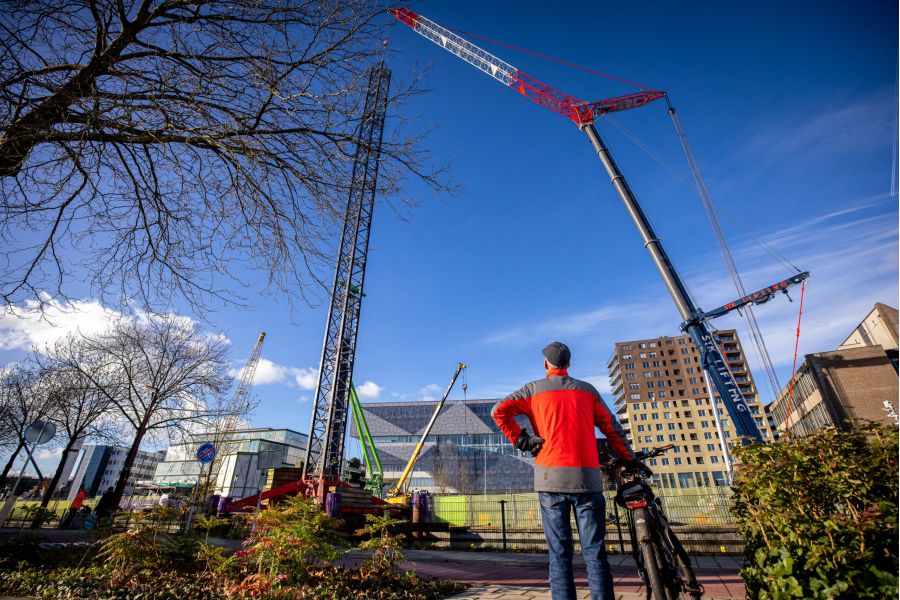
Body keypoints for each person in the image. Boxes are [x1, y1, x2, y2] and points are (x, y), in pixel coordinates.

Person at [492, 341, 639, 600]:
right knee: (595, 553)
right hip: (588, 481)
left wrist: (521, 439)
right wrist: (629, 460)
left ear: (546, 364)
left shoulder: (533, 390)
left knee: (559, 554)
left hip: (550, 480)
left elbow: (498, 411)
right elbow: (612, 429)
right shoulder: (587, 391)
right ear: (569, 364)